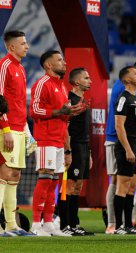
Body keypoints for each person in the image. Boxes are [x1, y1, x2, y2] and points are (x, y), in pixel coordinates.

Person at [30, 50, 83, 236]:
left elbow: (62, 115)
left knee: (54, 182)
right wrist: (59, 112)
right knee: (45, 178)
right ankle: (36, 224)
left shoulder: (61, 87)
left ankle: (48, 223)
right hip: (46, 138)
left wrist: (70, 112)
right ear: (49, 65)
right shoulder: (41, 84)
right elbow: (34, 110)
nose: (65, 62)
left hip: (60, 139)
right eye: (60, 60)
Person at [0, 30, 34, 236]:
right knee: (3, 174)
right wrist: (5, 129)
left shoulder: (20, 68)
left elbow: (19, 102)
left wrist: (26, 129)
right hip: (7, 128)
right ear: (11, 46)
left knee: (15, 175)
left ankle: (12, 225)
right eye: (23, 43)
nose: (27, 46)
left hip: (19, 127)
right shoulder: (4, 66)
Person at [112, 66, 136, 235]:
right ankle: (118, 226)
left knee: (132, 187)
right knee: (122, 186)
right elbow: (119, 126)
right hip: (126, 147)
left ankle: (129, 225)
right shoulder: (123, 99)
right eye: (135, 73)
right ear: (127, 80)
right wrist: (127, 149)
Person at [58, 68, 94, 236]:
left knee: (78, 186)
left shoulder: (82, 100)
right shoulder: (69, 101)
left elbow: (84, 129)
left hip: (84, 147)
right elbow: (64, 127)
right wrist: (68, 150)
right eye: (86, 78)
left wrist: (90, 152)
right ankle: (64, 225)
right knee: (69, 185)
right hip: (74, 147)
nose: (90, 81)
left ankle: (74, 224)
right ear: (77, 81)